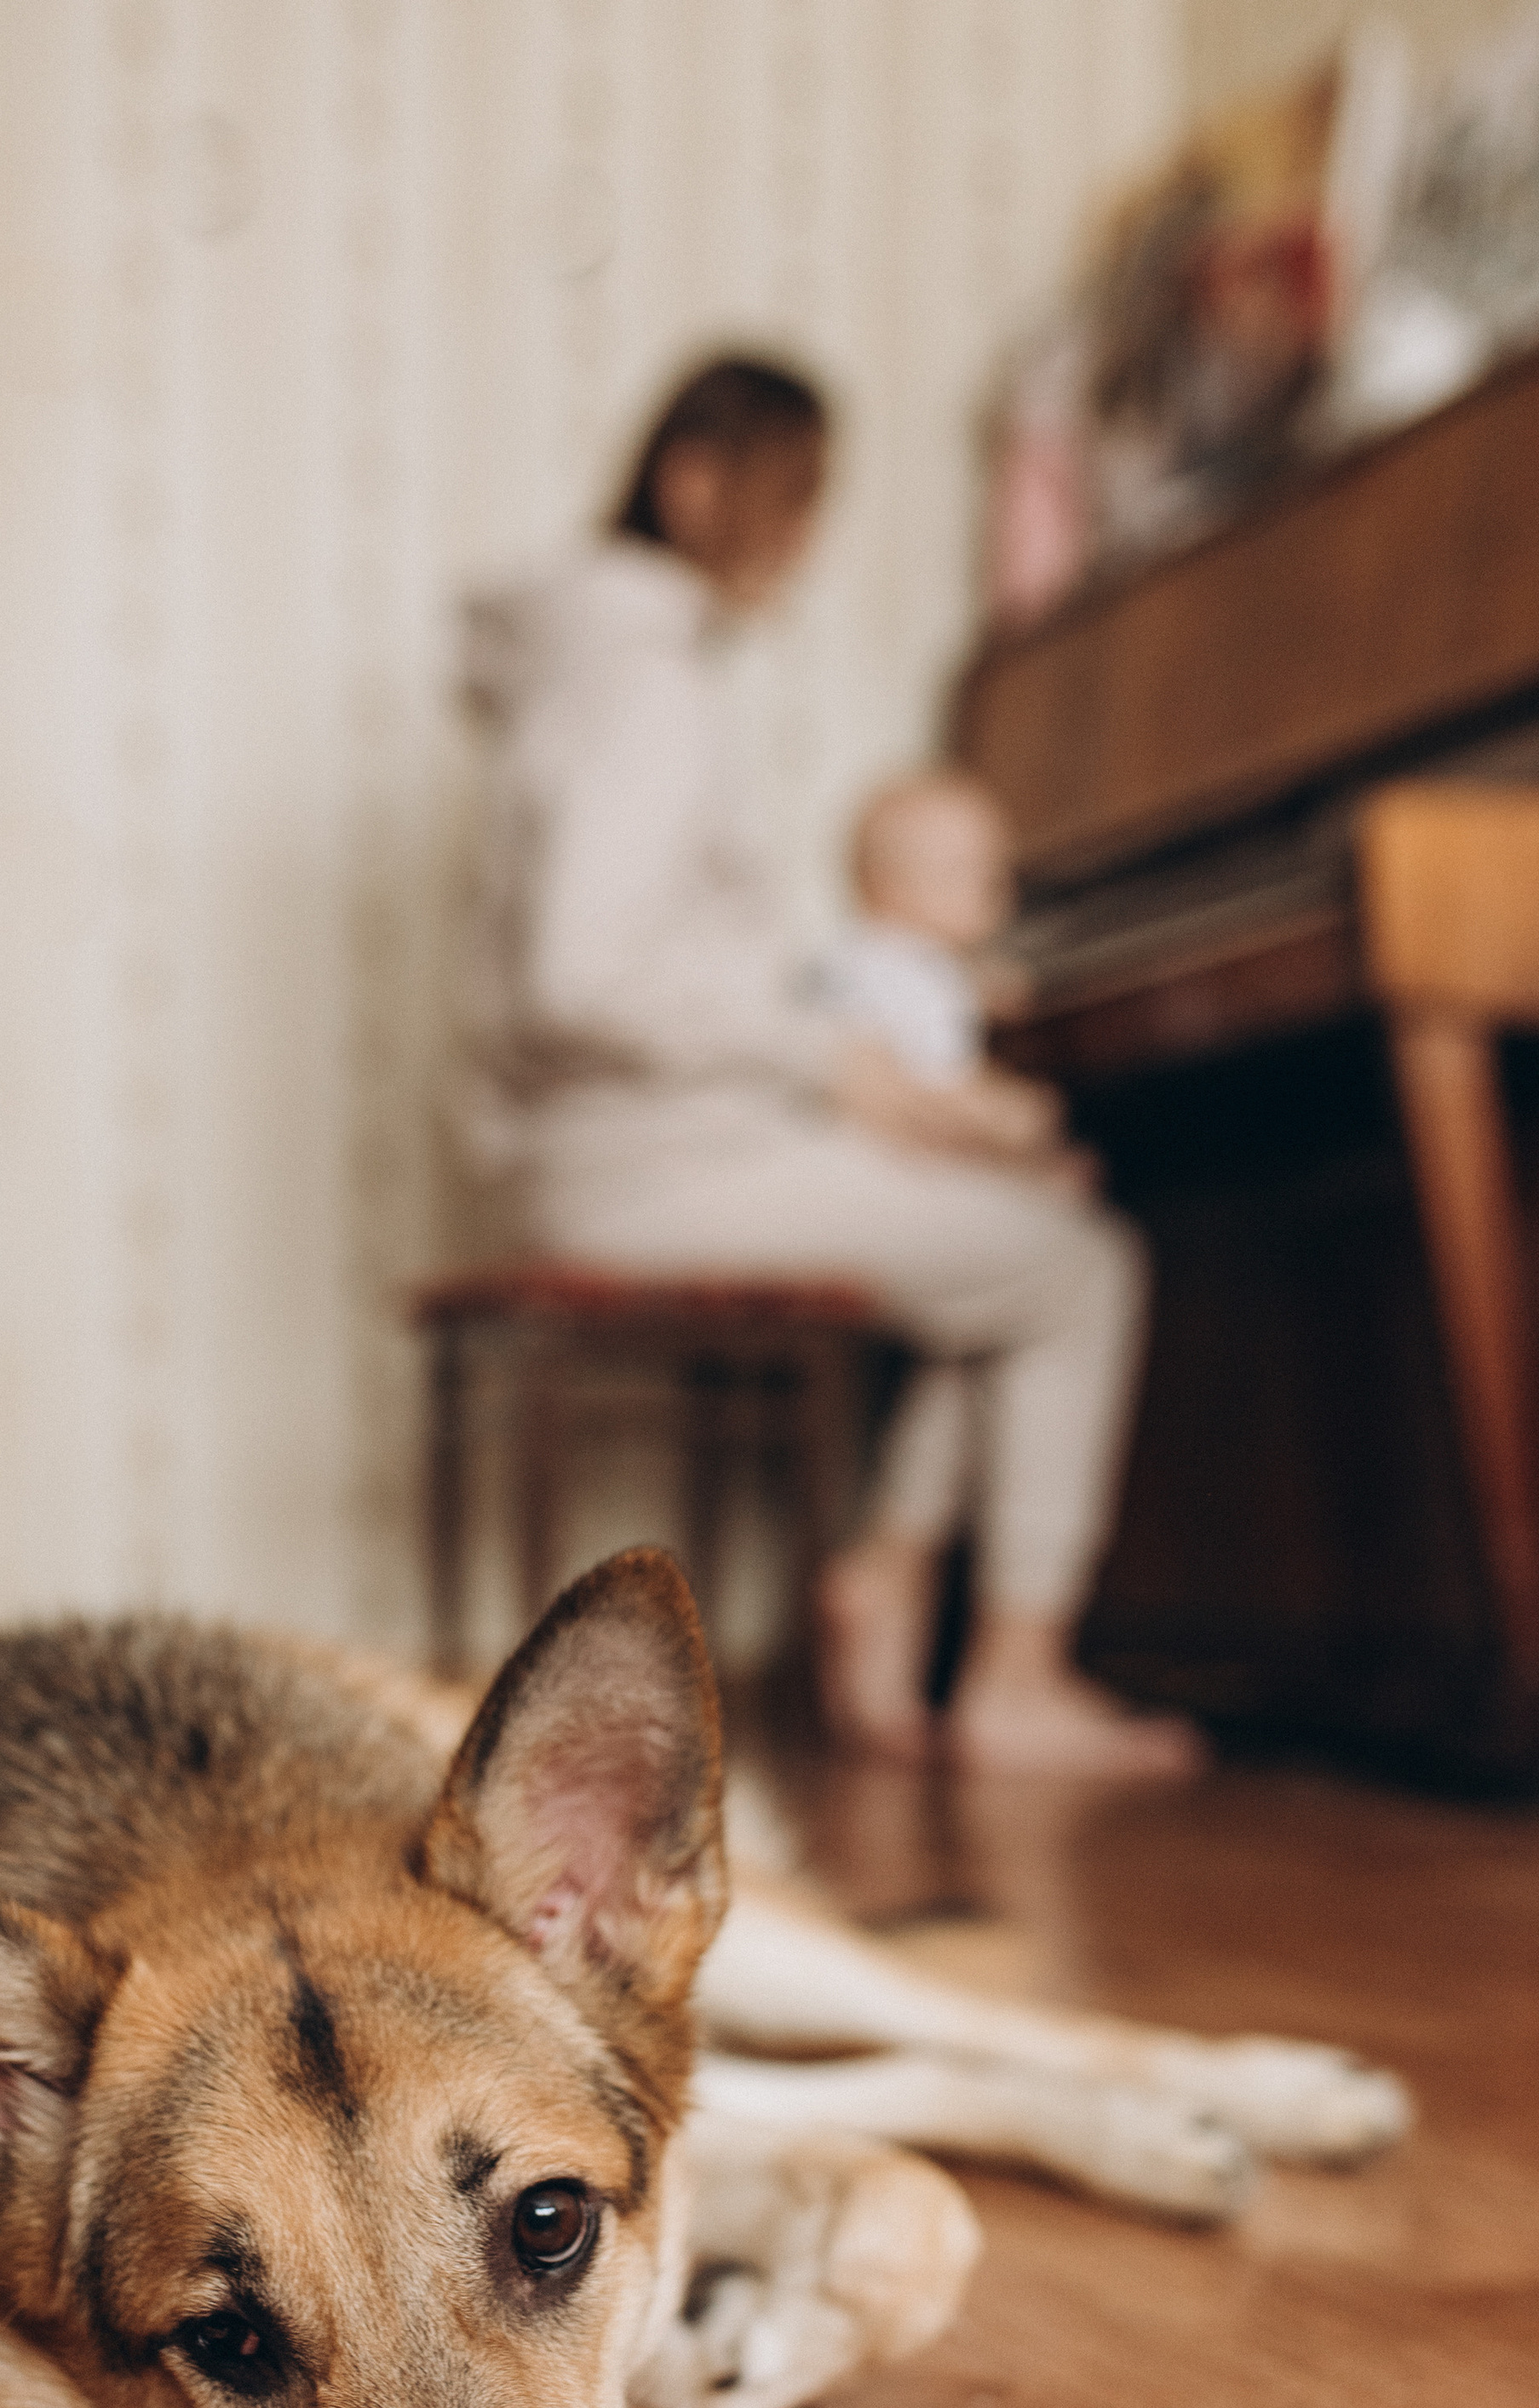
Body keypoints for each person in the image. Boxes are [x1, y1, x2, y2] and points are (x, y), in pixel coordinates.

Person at [457, 354, 1201, 1778]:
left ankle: (892, 1573)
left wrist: (854, 1079)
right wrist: (837, 1063)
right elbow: (583, 971)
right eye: (793, 504)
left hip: (620, 1149)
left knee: (1014, 1234)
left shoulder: (589, 666)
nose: (801, 544)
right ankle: (1014, 1673)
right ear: (696, 483)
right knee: (1076, 1265)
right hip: (648, 1168)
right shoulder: (645, 682)